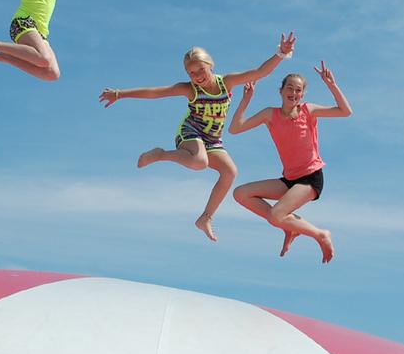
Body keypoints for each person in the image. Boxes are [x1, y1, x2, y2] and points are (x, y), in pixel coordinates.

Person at [99, 33, 297, 241]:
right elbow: (155, 92)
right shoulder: (190, 89)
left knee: (230, 172)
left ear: (210, 65)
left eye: (200, 70)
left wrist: (281, 53)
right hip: (190, 133)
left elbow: (260, 72)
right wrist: (120, 94)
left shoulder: (226, 83)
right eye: (191, 73)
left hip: (212, 140)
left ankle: (205, 218)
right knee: (199, 161)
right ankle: (161, 154)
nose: (197, 76)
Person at [228, 62, 352, 263]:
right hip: (289, 179)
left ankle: (320, 234)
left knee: (276, 215)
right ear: (281, 90)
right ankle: (289, 226)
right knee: (240, 194)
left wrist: (331, 85)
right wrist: (246, 99)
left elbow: (345, 111)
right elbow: (235, 128)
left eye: (298, 90)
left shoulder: (307, 110)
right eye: (290, 88)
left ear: (302, 95)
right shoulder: (270, 114)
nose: (293, 93)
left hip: (311, 178)